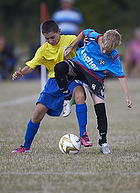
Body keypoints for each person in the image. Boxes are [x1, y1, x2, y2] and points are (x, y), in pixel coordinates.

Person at [11, 20, 93, 153]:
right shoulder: (43, 50)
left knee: (80, 96)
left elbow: (85, 40)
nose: (50, 41)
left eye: (52, 37)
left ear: (59, 31)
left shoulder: (70, 39)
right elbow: (31, 66)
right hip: (53, 83)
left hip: (71, 78)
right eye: (46, 38)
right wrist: (21, 73)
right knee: (38, 113)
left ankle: (83, 135)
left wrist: (88, 43)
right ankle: (26, 146)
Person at [54, 28, 132, 154]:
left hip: (95, 77)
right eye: (103, 47)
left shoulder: (114, 57)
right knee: (59, 67)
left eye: (108, 51)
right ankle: (67, 98)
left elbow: (121, 77)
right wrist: (71, 46)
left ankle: (103, 142)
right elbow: (83, 33)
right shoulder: (94, 36)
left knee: (100, 109)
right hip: (79, 66)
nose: (104, 51)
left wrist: (127, 97)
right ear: (102, 39)